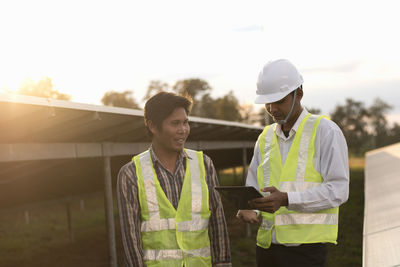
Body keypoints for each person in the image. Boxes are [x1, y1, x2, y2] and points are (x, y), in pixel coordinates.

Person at [236, 59, 349, 267]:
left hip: (306, 251)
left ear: (299, 94)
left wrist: (288, 199)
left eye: (278, 101)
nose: (272, 108)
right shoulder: (265, 137)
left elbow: (339, 190)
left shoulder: (325, 131)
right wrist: (248, 207)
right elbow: (253, 186)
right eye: (267, 103)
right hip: (267, 249)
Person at [117, 91, 232, 267]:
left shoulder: (204, 165)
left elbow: (217, 223)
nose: (183, 130)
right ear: (152, 126)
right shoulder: (130, 174)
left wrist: (223, 264)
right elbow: (131, 241)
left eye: (186, 122)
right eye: (175, 123)